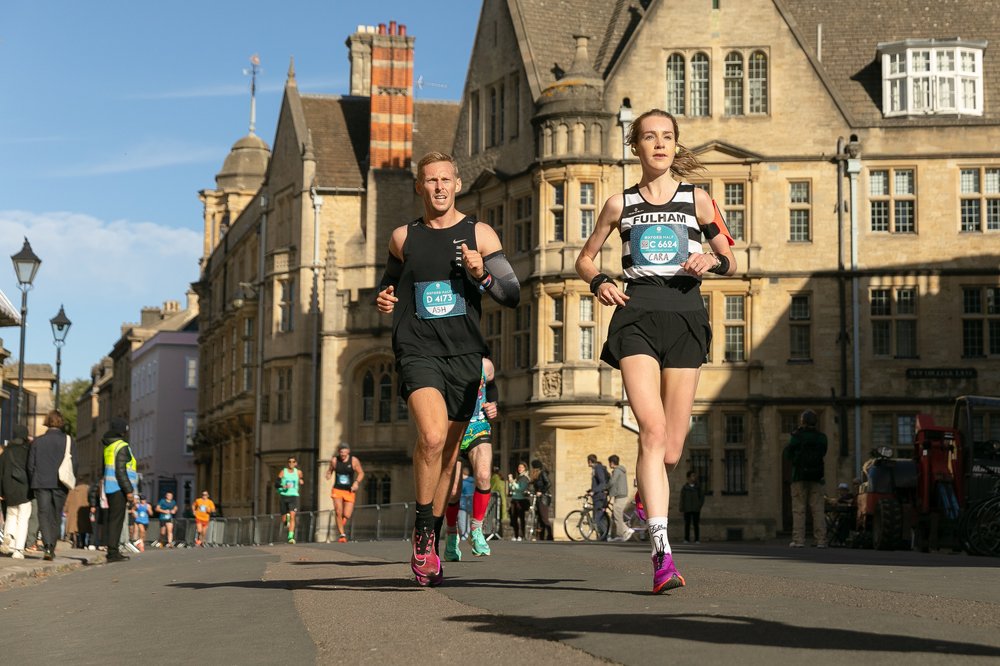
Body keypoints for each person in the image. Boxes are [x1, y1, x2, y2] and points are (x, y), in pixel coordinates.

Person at [575, 108, 737, 593]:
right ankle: (662, 555)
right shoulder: (618, 204)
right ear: (636, 147)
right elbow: (584, 259)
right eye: (649, 137)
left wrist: (713, 257)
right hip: (637, 314)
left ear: (675, 145)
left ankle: (647, 498)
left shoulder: (699, 200)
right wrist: (600, 281)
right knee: (650, 429)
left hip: (686, 315)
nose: (659, 145)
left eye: (667, 137)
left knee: (670, 448)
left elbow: (732, 256)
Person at [375, 151, 520, 586]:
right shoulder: (403, 237)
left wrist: (483, 274)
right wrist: (383, 298)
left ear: (457, 184)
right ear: (419, 187)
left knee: (448, 455)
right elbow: (389, 285)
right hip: (416, 349)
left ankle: (432, 537)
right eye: (429, 180)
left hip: (463, 355)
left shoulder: (480, 233)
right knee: (432, 436)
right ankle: (422, 533)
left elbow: (511, 293)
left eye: (445, 180)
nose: (438, 187)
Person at [443, 356, 499, 561]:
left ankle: (476, 530)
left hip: (478, 426)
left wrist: (494, 404)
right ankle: (451, 534)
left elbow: (491, 387)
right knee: (453, 490)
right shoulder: (444, 363)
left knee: (484, 475)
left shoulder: (485, 365)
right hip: (451, 430)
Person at [27, 410, 79, 561]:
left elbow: (30, 465)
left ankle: (47, 545)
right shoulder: (68, 440)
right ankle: (52, 545)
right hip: (60, 483)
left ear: (47, 422)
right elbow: (74, 463)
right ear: (61, 422)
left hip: (41, 482)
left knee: (43, 514)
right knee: (56, 515)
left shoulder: (37, 441)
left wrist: (33, 480)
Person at [784, 409, 828, 548]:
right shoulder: (822, 437)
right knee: (818, 510)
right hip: (817, 476)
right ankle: (820, 540)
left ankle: (799, 540)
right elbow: (823, 453)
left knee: (799, 509)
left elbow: (787, 454)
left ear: (802, 421)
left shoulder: (797, 437)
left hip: (799, 476)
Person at [101, 418, 137, 563]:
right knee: (117, 521)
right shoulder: (122, 446)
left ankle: (112, 550)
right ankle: (113, 552)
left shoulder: (109, 446)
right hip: (119, 488)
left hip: (110, 487)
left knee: (112, 520)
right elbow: (121, 471)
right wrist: (129, 491)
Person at [0, 425, 33, 559]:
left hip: (9, 490)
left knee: (11, 515)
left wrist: (1, 491)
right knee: (23, 518)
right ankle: (18, 549)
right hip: (24, 489)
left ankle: (9, 537)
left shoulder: (6, 452)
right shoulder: (28, 451)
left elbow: (0, 473)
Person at [325, 444, 364, 543]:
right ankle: (342, 534)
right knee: (338, 511)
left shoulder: (354, 460)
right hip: (337, 489)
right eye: (341, 452)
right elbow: (330, 470)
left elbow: (361, 473)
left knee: (347, 514)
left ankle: (340, 525)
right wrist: (328, 474)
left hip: (349, 490)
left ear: (348, 452)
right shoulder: (334, 460)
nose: (342, 454)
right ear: (339, 452)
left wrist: (356, 482)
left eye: (344, 452)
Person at [607, 455, 634, 542]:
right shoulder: (620, 471)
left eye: (609, 463)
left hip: (620, 496)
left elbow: (612, 482)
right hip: (620, 495)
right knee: (616, 515)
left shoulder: (617, 471)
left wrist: (605, 487)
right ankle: (623, 532)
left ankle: (622, 533)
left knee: (617, 515)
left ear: (612, 463)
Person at [277, 457, 304, 544]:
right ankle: (286, 520)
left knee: (293, 516)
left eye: (293, 462)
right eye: (289, 462)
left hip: (293, 496)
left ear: (296, 463)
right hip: (284, 496)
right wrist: (282, 487)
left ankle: (290, 537)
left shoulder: (298, 472)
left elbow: (300, 479)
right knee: (284, 520)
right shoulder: (283, 472)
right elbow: (276, 484)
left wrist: (301, 481)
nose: (291, 463)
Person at [586, 454, 610, 541]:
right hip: (597, 496)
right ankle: (602, 536)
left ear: (589, 461)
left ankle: (603, 536)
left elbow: (602, 483)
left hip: (599, 496)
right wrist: (591, 490)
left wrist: (594, 491)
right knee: (599, 516)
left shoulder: (598, 468)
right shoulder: (596, 469)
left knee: (598, 517)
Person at [529, 459, 553, 541]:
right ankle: (540, 537)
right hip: (539, 499)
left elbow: (548, 483)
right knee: (539, 518)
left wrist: (541, 491)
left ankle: (550, 535)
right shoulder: (536, 476)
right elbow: (534, 485)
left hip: (544, 498)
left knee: (544, 518)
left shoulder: (542, 473)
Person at [680, 471, 705, 544]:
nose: (694, 478)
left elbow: (702, 497)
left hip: (695, 509)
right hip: (687, 508)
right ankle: (686, 539)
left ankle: (697, 539)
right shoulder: (685, 488)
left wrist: (699, 505)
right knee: (687, 524)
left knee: (696, 524)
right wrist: (682, 508)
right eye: (692, 476)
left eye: (694, 476)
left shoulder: (698, 487)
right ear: (688, 477)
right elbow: (682, 498)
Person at [508, 463, 530, 542]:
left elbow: (520, 488)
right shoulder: (518, 477)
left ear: (525, 468)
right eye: (519, 467)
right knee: (514, 518)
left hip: (521, 500)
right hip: (514, 499)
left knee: (521, 518)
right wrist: (512, 483)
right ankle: (516, 534)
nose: (520, 468)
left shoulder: (524, 478)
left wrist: (512, 482)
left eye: (522, 467)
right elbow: (512, 487)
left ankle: (522, 535)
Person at [489, 467, 508, 539]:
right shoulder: (501, 478)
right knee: (498, 517)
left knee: (494, 516)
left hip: (495, 498)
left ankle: (495, 533)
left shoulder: (495, 477)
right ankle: (499, 533)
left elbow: (494, 487)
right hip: (501, 498)